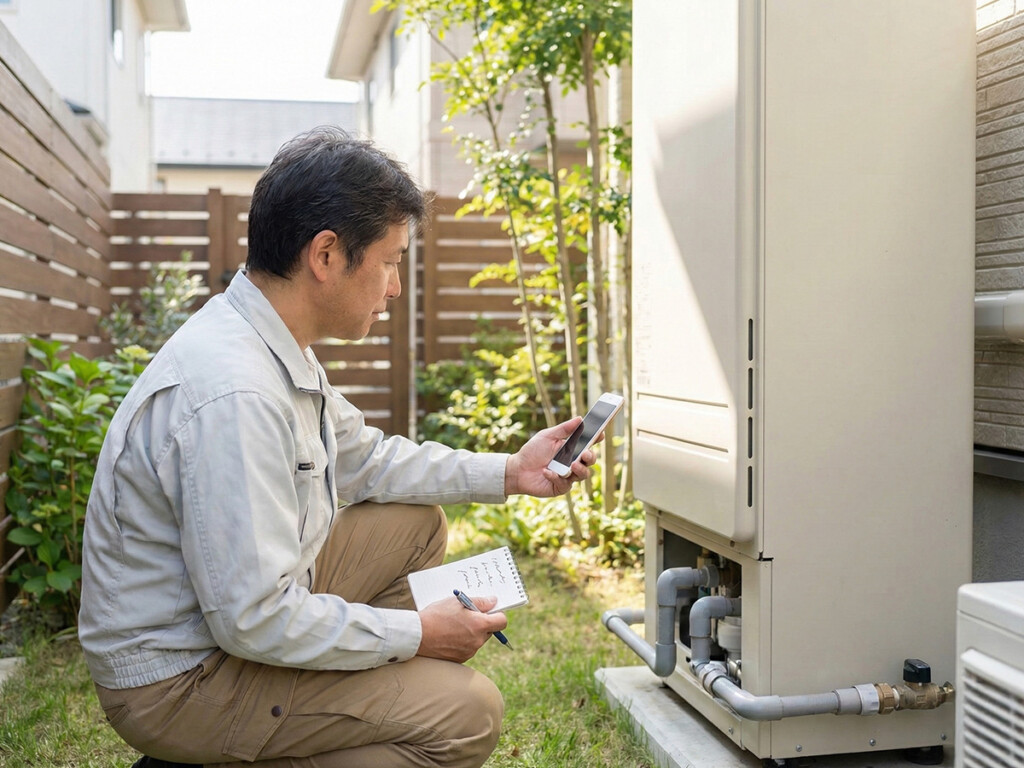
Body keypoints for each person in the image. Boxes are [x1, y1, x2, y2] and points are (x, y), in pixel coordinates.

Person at [78, 127, 598, 768]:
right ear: (326, 254)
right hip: (183, 680)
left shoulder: (270, 343)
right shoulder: (235, 394)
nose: (395, 288)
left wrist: (512, 471)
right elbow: (253, 620)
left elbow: (369, 459)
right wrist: (418, 636)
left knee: (412, 525)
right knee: (467, 713)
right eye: (390, 262)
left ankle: (311, 702)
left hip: (225, 626)